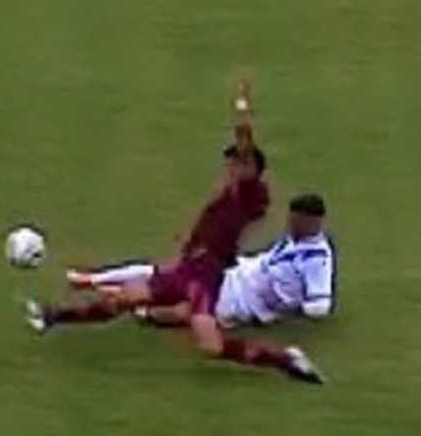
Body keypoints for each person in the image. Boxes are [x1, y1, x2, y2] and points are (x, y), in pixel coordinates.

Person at [25, 78, 327, 383]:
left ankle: (285, 360)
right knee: (123, 300)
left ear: (249, 168)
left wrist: (242, 108)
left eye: (234, 162)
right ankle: (52, 316)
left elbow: (246, 145)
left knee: (211, 346)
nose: (229, 167)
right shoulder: (232, 193)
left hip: (205, 277)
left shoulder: (250, 193)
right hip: (188, 269)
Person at [69, 193, 336, 329]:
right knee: (168, 274)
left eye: (295, 220)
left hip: (244, 302)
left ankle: (136, 308)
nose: (289, 223)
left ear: (311, 222)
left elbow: (319, 307)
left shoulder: (317, 259)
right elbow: (270, 263)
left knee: (187, 310)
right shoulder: (296, 239)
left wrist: (284, 307)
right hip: (238, 274)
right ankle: (92, 279)